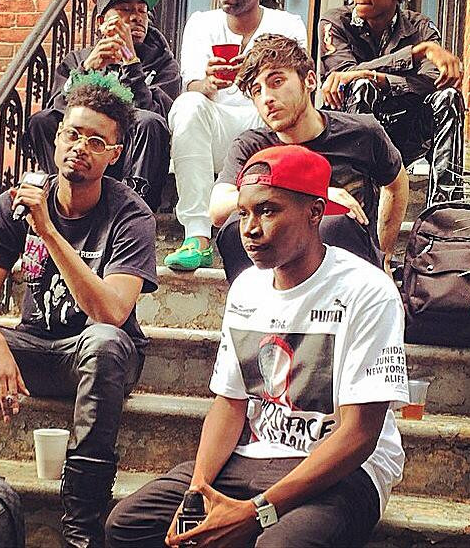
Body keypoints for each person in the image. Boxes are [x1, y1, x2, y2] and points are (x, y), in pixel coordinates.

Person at [0, 74, 158, 548]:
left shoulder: (130, 214)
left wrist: (49, 232)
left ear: (114, 155)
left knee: (104, 343)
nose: (80, 148)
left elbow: (112, 313)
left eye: (97, 141)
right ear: (57, 138)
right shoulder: (15, 204)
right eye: (73, 134)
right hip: (34, 347)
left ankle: (81, 528)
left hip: (97, 358)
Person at [106, 144, 409, 548]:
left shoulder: (367, 290)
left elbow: (359, 435)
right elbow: (230, 403)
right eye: (243, 213)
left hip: (343, 470)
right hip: (251, 456)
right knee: (127, 525)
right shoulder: (247, 287)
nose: (249, 228)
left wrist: (257, 513)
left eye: (267, 211)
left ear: (315, 212)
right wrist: (198, 492)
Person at [211, 33, 408, 283]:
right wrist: (317, 194)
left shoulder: (362, 133)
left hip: (348, 270)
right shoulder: (251, 145)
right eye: (257, 91)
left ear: (310, 80)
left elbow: (396, 184)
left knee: (332, 223)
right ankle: (256, 302)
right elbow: (218, 209)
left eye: (277, 81)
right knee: (233, 229)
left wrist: (385, 254)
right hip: (277, 272)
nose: (267, 98)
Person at [164, 0, 308, 270]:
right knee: (188, 105)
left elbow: (296, 90)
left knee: (282, 107)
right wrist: (209, 82)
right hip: (218, 129)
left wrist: (257, 73)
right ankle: (197, 236)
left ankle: (272, 231)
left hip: (264, 127)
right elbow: (192, 85)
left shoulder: (287, 25)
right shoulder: (202, 23)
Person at [318, 0, 464, 206]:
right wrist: (414, 54)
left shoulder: (420, 26)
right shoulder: (335, 22)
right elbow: (342, 75)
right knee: (360, 87)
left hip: (405, 132)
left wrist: (380, 79)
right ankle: (359, 201)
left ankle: (444, 209)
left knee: (449, 97)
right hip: (350, 139)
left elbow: (434, 81)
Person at [28, 0, 181, 211]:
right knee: (42, 120)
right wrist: (87, 70)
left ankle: (135, 210)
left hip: (128, 155)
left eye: (142, 11)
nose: (136, 17)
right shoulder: (78, 60)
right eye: (125, 10)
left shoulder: (163, 64)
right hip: (87, 151)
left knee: (148, 122)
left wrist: (131, 62)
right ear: (101, 21)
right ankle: (61, 197)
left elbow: (158, 117)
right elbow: (58, 110)